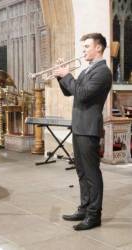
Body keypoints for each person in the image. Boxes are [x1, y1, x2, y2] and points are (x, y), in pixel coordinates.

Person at [53, 33, 112, 231]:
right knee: (81, 171)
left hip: (88, 128)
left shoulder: (102, 72)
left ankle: (94, 215)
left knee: (92, 173)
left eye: (87, 46)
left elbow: (83, 94)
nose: (84, 50)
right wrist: (60, 76)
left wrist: (67, 74)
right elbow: (70, 91)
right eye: (84, 46)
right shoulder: (88, 71)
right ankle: (84, 208)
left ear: (99, 48)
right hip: (79, 126)